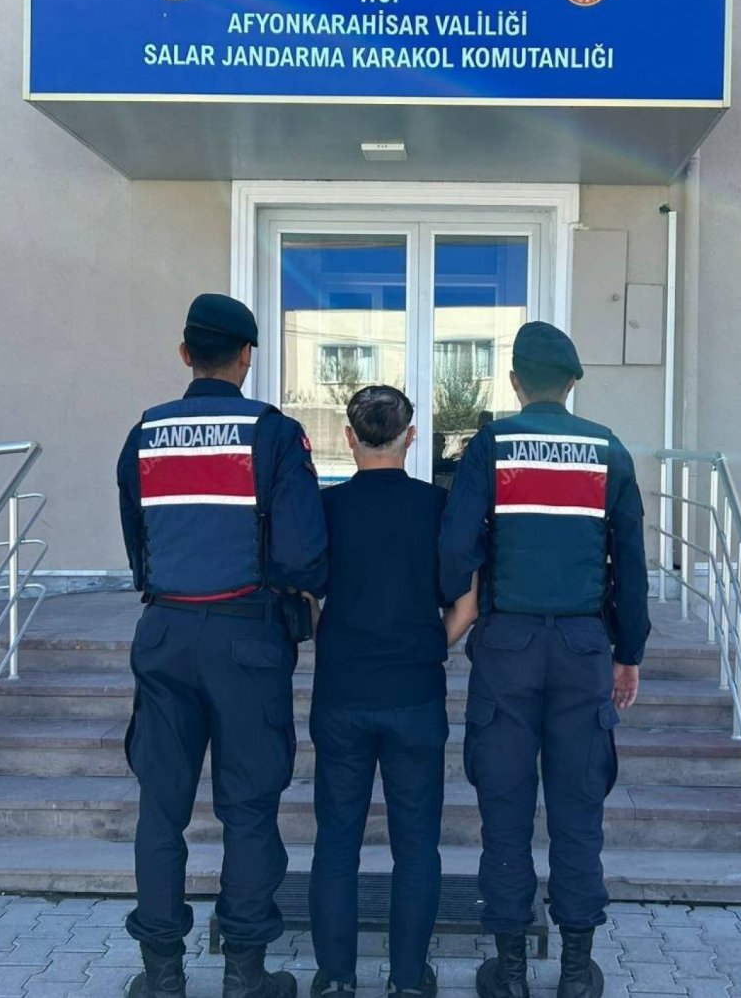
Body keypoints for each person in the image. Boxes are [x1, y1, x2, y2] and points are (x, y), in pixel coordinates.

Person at [116, 293, 328, 998]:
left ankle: (163, 976)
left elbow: (137, 543)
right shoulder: (271, 432)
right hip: (246, 636)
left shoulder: (144, 433)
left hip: (166, 629)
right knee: (248, 809)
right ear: (247, 356)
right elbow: (302, 553)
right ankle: (245, 974)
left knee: (161, 808)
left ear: (184, 353)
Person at [437, 321, 651, 998]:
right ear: (573, 382)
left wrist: (457, 606)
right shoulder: (608, 450)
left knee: (505, 807)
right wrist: (629, 652)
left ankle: (508, 970)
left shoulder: (492, 445)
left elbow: (453, 544)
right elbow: (634, 566)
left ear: (514, 380)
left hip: (506, 650)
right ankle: (577, 969)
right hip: (584, 650)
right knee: (578, 810)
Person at [308, 385, 477, 998]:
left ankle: (335, 977)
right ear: (410, 437)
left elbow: (307, 597)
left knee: (336, 842)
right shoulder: (439, 506)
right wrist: (433, 646)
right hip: (415, 694)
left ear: (350, 438)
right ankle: (409, 979)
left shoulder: (327, 509)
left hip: (342, 694)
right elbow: (467, 603)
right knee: (416, 847)